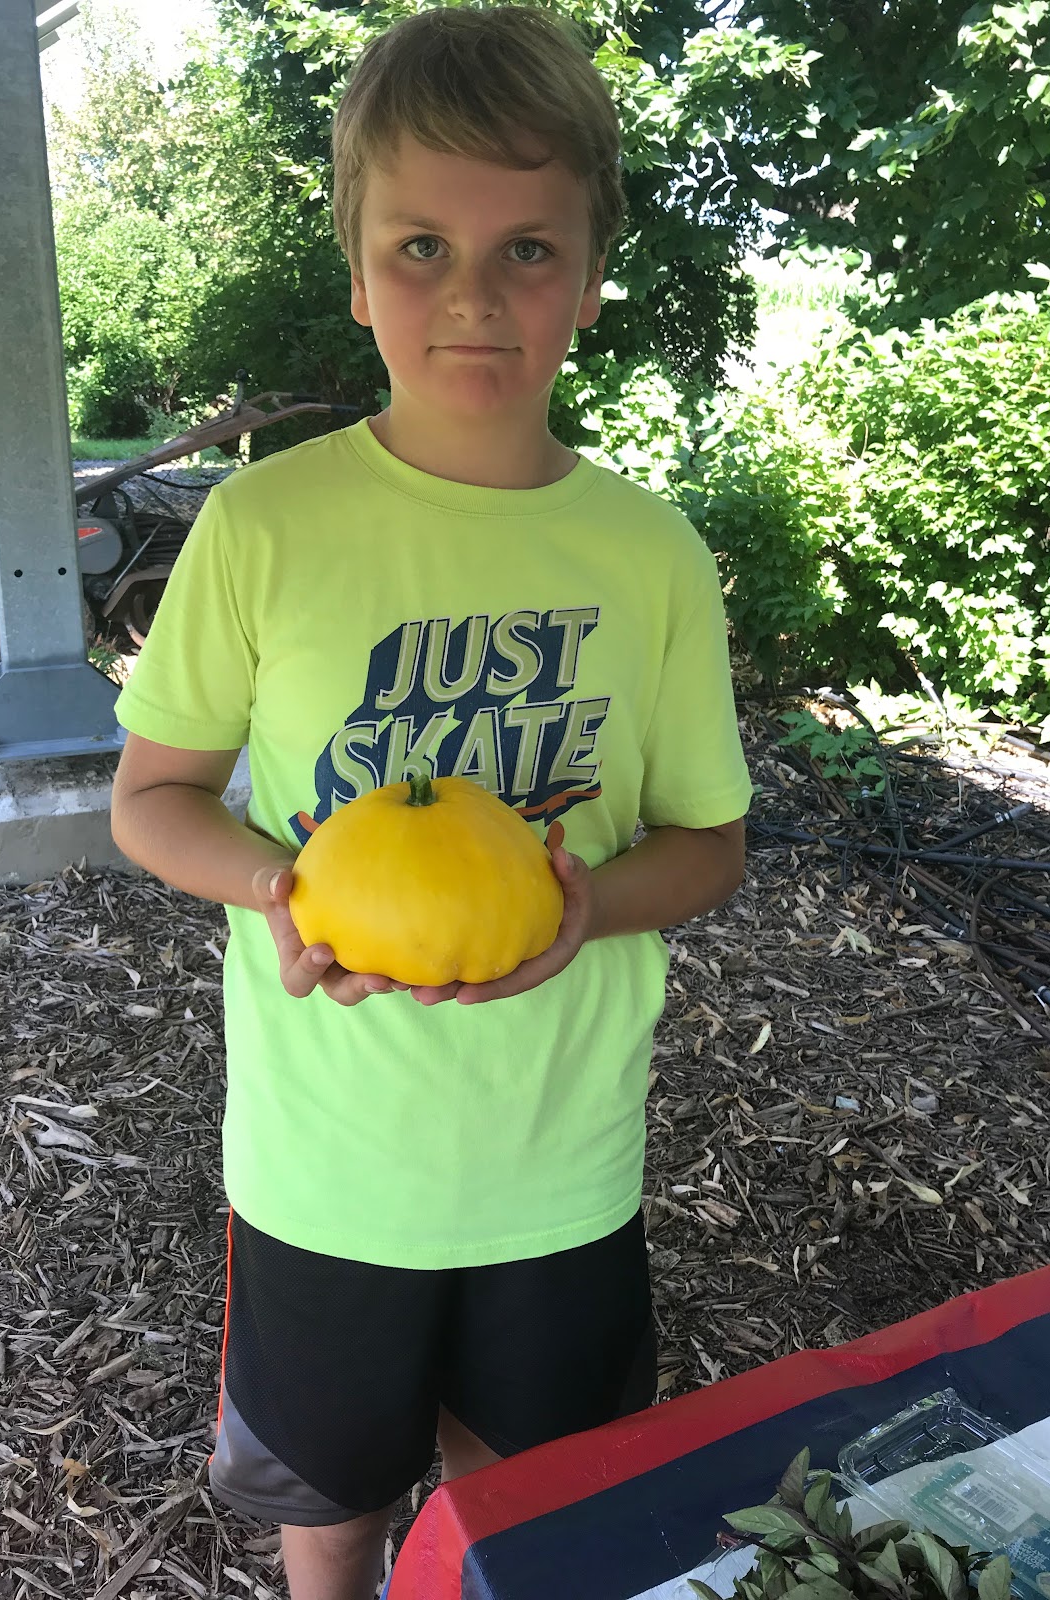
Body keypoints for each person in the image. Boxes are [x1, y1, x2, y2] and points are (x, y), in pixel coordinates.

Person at [109, 6, 753, 1597]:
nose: (473, 295)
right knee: (328, 1502)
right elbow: (155, 797)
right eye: (420, 247)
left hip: (562, 1155)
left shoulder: (649, 553)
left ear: (589, 278)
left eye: (528, 248)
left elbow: (709, 844)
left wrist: (591, 905)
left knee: (517, 1499)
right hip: (332, 1160)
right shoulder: (269, 526)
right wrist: (278, 889)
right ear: (356, 270)